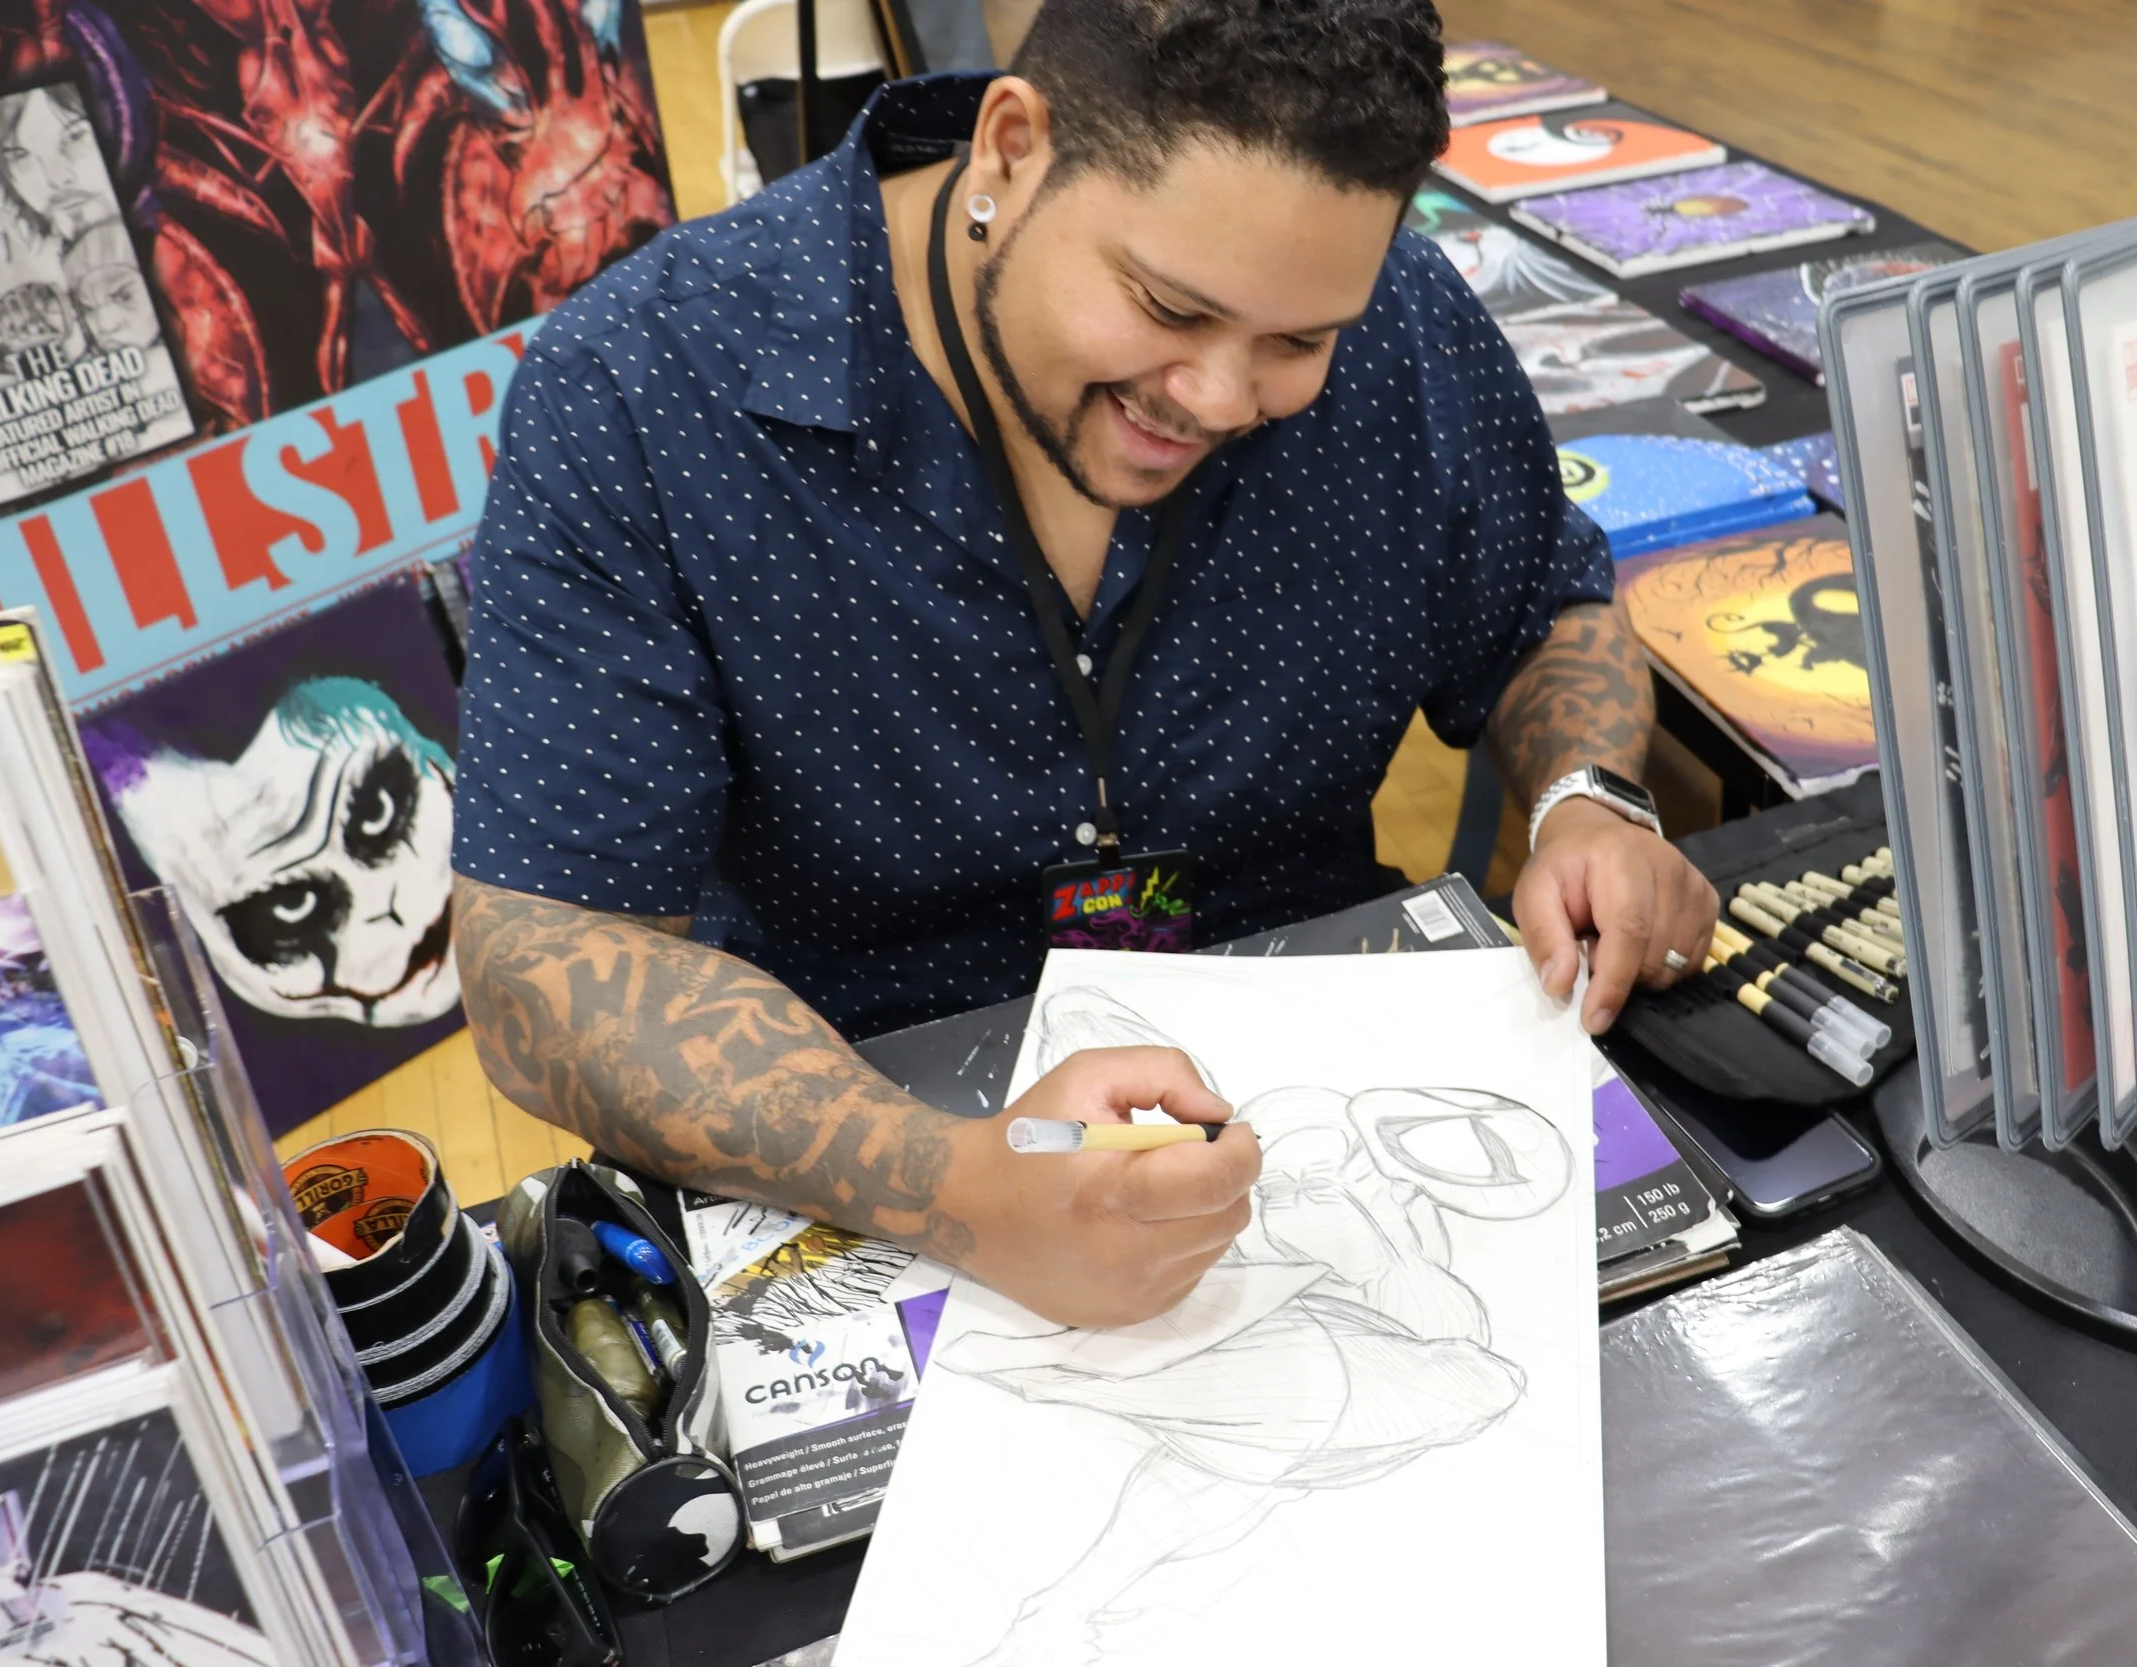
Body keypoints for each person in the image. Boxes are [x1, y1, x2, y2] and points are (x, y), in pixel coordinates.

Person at [449, 0, 1718, 1329]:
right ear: (1009, 151)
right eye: (1168, 307)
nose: (1218, 396)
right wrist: (953, 1183)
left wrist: (1590, 799)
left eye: (1296, 345)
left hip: (1333, 1133)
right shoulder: (646, 387)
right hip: (858, 1153)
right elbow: (544, 952)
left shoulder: (1395, 316)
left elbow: (1542, 607)